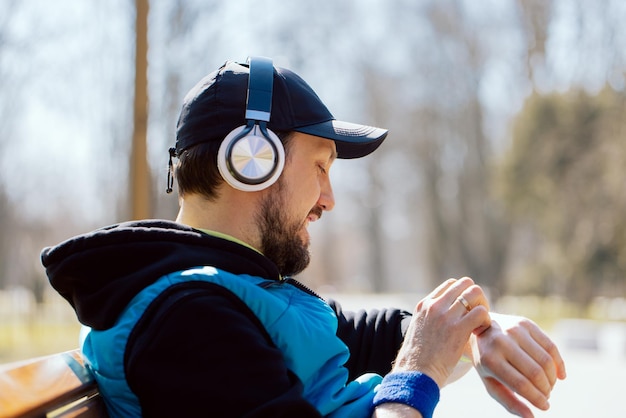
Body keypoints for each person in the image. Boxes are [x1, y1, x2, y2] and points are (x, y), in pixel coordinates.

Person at [42, 57, 566, 418]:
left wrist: (479, 332)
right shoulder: (188, 319)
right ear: (253, 161)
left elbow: (373, 334)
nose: (329, 198)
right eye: (320, 166)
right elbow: (408, 357)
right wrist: (418, 372)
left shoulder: (238, 288)